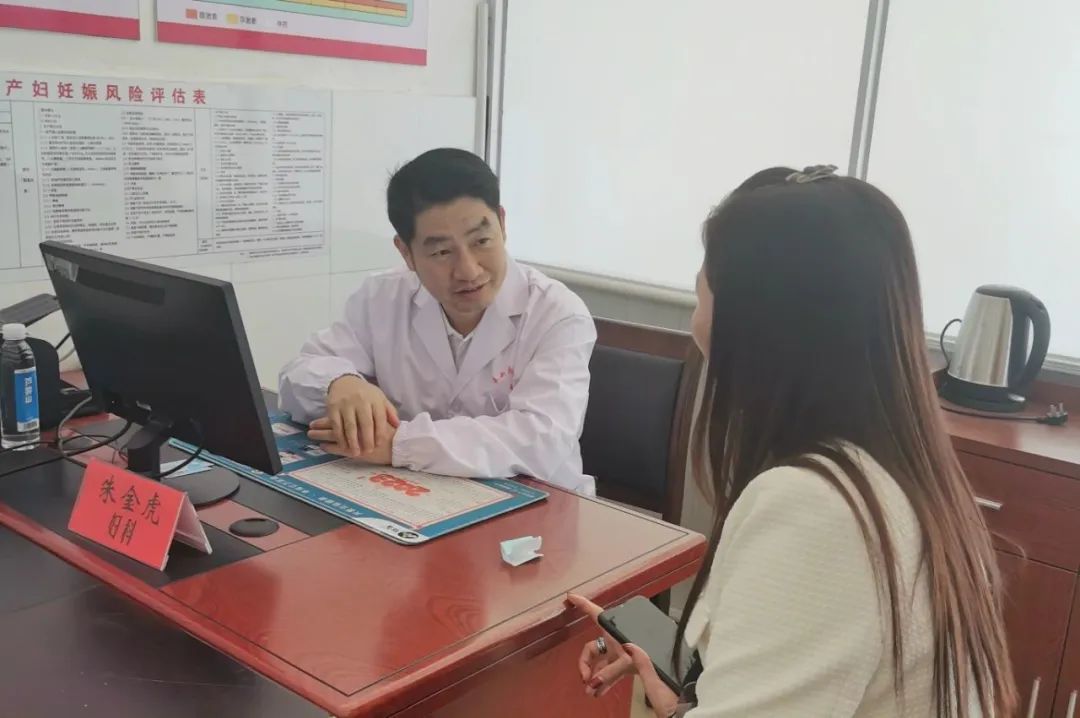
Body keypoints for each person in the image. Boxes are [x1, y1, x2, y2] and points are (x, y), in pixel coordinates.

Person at [568, 166, 1016, 716]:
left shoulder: (816, 509)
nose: (697, 321)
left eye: (702, 296)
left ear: (754, 327)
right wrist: (688, 688)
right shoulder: (897, 472)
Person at [279, 148, 596, 494]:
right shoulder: (382, 297)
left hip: (539, 503)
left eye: (481, 241)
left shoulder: (558, 314)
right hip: (419, 494)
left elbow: (541, 439)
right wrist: (340, 384)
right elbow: (298, 375)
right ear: (406, 252)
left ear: (502, 224)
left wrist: (400, 444)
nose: (469, 270)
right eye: (442, 252)